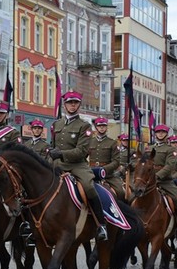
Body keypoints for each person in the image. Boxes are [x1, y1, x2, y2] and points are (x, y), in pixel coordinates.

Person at [47, 91, 107, 240]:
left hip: (76, 165)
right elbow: (52, 145)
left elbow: (82, 151)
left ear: (79, 105)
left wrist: (60, 153)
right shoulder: (56, 124)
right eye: (69, 103)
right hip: (56, 163)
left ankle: (101, 225)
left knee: (89, 187)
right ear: (65, 104)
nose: (72, 105)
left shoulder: (84, 126)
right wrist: (51, 152)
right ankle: (31, 225)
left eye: (75, 103)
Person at [150, 125, 177, 238]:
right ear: (155, 133)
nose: (160, 134)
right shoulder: (148, 148)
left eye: (163, 132)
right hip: (149, 182)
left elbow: (169, 166)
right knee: (132, 197)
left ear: (166, 134)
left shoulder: (171, 150)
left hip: (165, 181)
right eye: (158, 132)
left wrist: (157, 176)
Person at [87, 117, 123, 197]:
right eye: (99, 126)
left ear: (107, 127)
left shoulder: (112, 143)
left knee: (121, 192)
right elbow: (82, 156)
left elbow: (116, 161)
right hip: (91, 173)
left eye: (104, 126)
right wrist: (86, 167)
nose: (102, 128)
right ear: (96, 127)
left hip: (107, 175)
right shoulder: (90, 142)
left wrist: (104, 169)